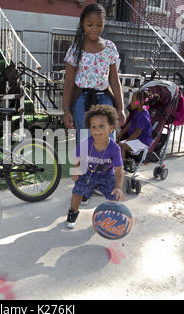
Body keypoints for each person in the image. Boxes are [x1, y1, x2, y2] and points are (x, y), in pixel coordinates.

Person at [62, 2, 125, 199]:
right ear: (82, 24)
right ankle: (85, 185)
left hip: (104, 100)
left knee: (107, 142)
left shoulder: (110, 48)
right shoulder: (76, 50)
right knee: (85, 143)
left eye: (99, 24)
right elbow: (69, 82)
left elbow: (114, 80)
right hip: (82, 101)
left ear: (104, 25)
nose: (94, 28)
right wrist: (66, 109)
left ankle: (105, 184)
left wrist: (121, 108)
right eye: (90, 24)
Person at [66, 105, 125, 229]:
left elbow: (119, 170)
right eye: (94, 127)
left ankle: (110, 216)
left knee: (114, 195)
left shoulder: (115, 149)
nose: (97, 130)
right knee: (77, 191)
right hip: (88, 173)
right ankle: (73, 213)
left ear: (111, 128)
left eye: (101, 126)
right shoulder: (85, 144)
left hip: (107, 175)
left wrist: (118, 187)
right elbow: (76, 158)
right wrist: (75, 171)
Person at [117, 89, 156, 163]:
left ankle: (120, 166)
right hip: (137, 139)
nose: (131, 103)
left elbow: (138, 132)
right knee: (118, 145)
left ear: (141, 102)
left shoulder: (143, 115)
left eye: (133, 100)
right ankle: (122, 163)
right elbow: (130, 124)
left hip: (143, 141)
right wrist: (121, 133)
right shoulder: (138, 111)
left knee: (122, 146)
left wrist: (127, 141)